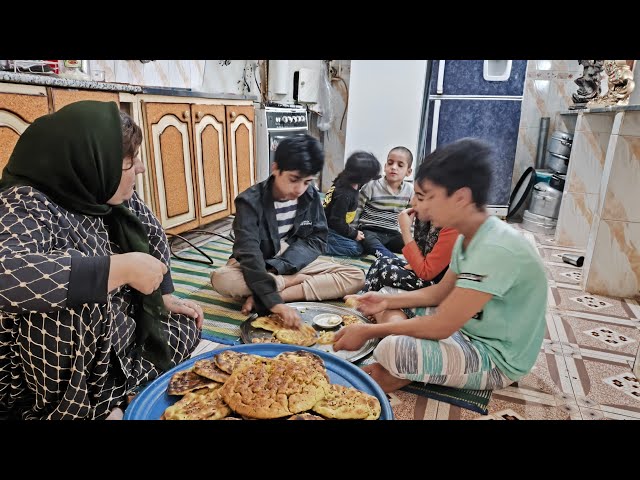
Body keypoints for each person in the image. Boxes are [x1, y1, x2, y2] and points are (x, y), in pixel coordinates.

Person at [0, 101, 203, 420]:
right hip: (48, 364)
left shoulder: (100, 188)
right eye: (129, 161)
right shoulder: (25, 203)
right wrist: (117, 270)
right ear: (88, 161)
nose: (141, 169)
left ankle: (120, 399)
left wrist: (164, 295)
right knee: (78, 300)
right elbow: (6, 275)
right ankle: (82, 410)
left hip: (113, 332)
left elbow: (149, 232)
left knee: (186, 323)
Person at [334, 138, 548, 394]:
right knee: (388, 295)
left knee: (391, 349)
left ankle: (404, 364)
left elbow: (442, 325)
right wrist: (385, 303)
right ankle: (409, 363)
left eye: (428, 198)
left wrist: (370, 331)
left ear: (460, 198)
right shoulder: (468, 235)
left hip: (496, 357)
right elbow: (438, 293)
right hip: (465, 328)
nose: (419, 208)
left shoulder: (495, 248)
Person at [210, 134, 364, 328]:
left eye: (307, 181)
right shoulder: (249, 202)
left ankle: (275, 293)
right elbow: (249, 254)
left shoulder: (309, 195)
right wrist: (282, 284)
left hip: (292, 261)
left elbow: (317, 238)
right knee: (221, 279)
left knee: (356, 276)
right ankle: (291, 283)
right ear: (276, 169)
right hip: (257, 264)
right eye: (294, 179)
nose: (299, 189)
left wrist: (277, 280)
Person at [362, 166, 459, 293]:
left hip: (438, 285)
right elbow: (418, 259)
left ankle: (368, 303)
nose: (413, 202)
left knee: (387, 272)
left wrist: (405, 230)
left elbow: (426, 272)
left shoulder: (451, 227)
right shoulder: (425, 219)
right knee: (381, 262)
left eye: (419, 197)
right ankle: (364, 301)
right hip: (425, 272)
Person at [352, 146, 414, 258]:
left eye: (400, 165)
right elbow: (357, 209)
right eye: (390, 163)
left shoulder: (409, 190)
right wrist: (353, 233)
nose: (394, 167)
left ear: (408, 172)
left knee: (412, 247)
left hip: (392, 233)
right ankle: (390, 258)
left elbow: (410, 216)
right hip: (370, 230)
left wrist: (410, 236)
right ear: (385, 167)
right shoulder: (372, 186)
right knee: (371, 243)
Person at [322, 151, 381, 257]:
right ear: (363, 177)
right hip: (329, 228)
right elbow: (336, 221)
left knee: (363, 242)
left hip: (338, 225)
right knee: (357, 249)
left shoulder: (349, 179)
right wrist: (353, 234)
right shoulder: (344, 195)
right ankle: (318, 245)